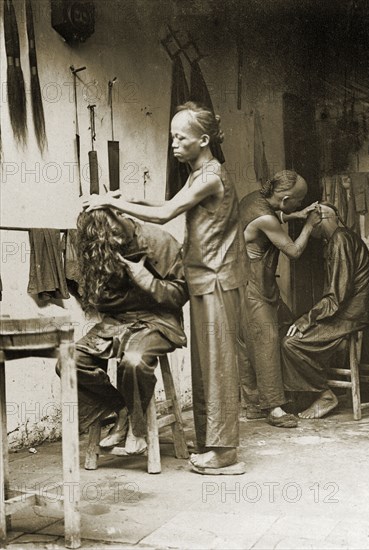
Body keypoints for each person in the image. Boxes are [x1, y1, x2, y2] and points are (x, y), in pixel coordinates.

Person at [83, 102, 248, 474]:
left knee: (219, 364)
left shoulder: (212, 176)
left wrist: (108, 200)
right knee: (207, 365)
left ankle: (226, 453)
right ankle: (211, 443)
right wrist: (128, 200)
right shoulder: (197, 173)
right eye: (172, 136)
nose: (173, 143)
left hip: (218, 280)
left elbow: (165, 214)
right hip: (205, 280)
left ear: (203, 140)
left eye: (181, 137)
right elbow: (166, 203)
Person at [66, 209, 188, 454]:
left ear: (121, 216)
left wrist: (146, 280)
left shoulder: (159, 240)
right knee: (69, 360)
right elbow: (98, 301)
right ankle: (123, 410)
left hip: (159, 320)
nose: (114, 243)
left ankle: (137, 428)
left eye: (113, 235)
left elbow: (181, 293)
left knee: (133, 361)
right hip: (117, 322)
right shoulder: (98, 249)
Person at [239, 170, 321, 428]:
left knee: (265, 334)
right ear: (284, 199)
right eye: (298, 201)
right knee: (266, 339)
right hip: (251, 284)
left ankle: (253, 405)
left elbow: (273, 215)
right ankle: (273, 408)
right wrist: (308, 225)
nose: (301, 203)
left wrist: (294, 215)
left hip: (258, 282)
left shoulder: (256, 198)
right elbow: (294, 251)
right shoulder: (266, 217)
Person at [281, 203, 369, 419]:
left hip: (351, 317)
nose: (309, 227)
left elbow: (336, 297)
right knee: (293, 338)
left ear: (321, 217)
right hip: (351, 313)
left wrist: (306, 319)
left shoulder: (340, 239)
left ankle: (324, 395)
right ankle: (317, 392)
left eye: (311, 221)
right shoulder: (342, 238)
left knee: (290, 343)